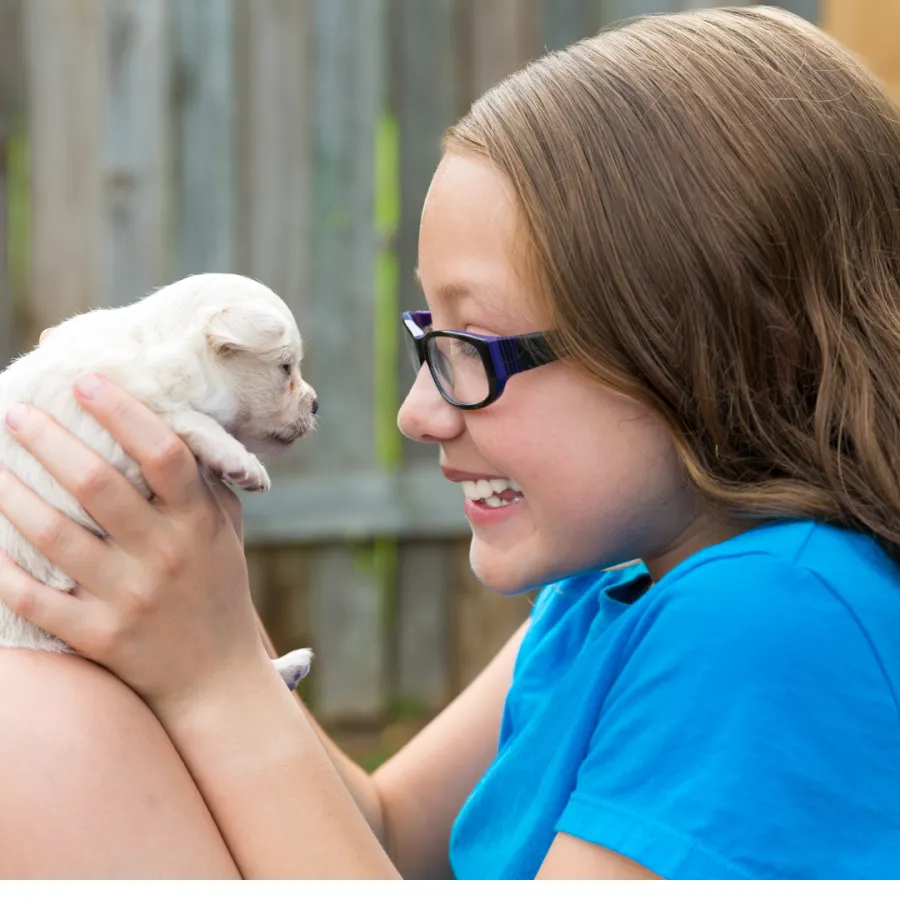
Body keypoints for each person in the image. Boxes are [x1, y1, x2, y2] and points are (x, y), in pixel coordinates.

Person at [1, 5, 900, 879]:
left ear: (735, 346)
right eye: (428, 339)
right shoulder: (611, 588)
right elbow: (389, 836)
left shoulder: (774, 618)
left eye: (472, 348)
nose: (418, 412)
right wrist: (201, 627)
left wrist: (216, 683)